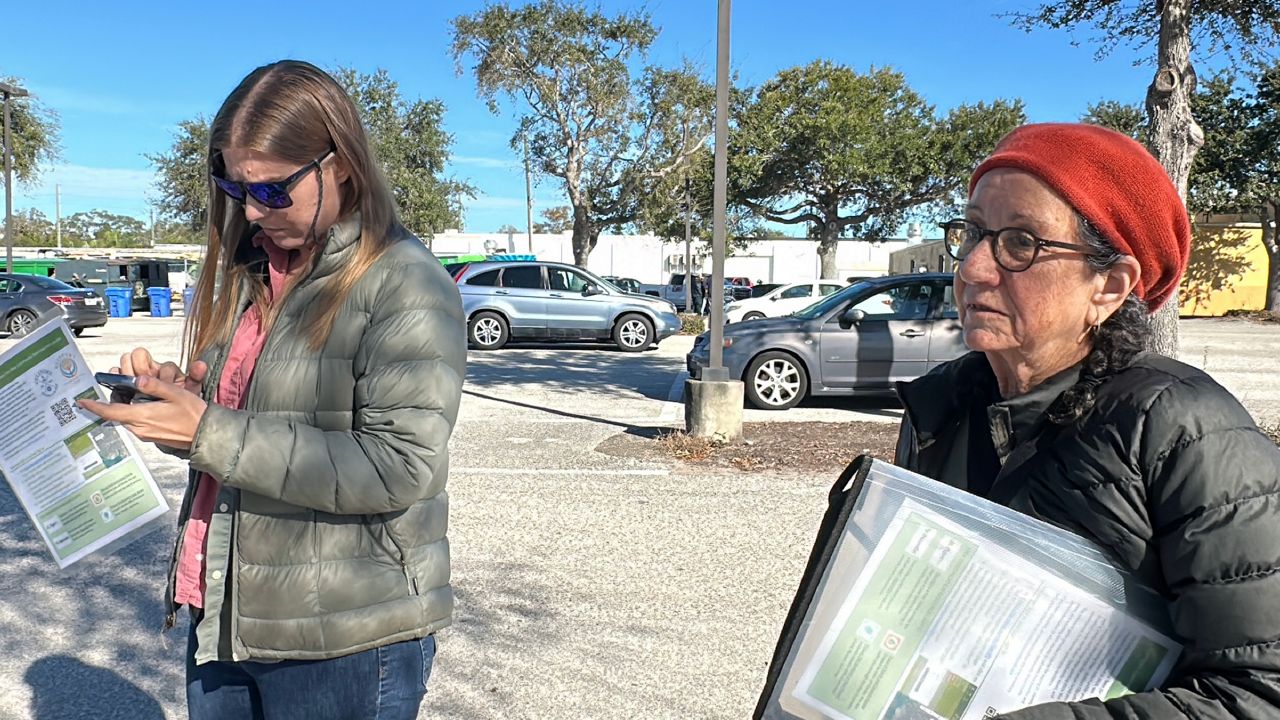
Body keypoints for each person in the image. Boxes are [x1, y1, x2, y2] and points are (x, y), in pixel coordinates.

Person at [78, 60, 466, 719]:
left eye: (274, 191)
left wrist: (210, 432)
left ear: (340, 163)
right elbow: (236, 438)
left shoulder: (404, 282)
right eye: (235, 187)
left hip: (342, 638)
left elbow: (401, 466)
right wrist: (172, 408)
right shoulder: (254, 272)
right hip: (225, 609)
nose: (253, 210)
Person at [895, 123, 1280, 717]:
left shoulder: (1188, 431)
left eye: (1020, 242)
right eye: (972, 232)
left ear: (1110, 285)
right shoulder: (938, 410)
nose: (972, 268)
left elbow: (1257, 694)